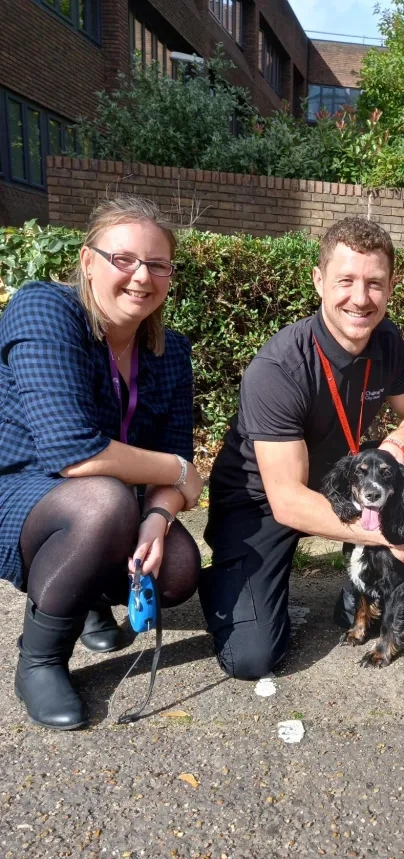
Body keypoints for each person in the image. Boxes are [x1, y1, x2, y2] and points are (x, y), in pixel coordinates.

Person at [201, 217, 404, 681]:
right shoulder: (278, 368)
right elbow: (289, 501)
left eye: (375, 283)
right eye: (346, 281)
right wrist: (393, 535)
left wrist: (396, 441)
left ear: (391, 286)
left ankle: (374, 587)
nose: (360, 298)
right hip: (263, 502)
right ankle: (226, 580)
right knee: (251, 659)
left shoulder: (387, 343)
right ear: (318, 282)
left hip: (342, 479)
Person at [0, 197, 203, 730]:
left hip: (112, 494)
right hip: (25, 487)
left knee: (179, 566)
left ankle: (87, 596)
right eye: (124, 259)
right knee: (104, 501)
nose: (142, 276)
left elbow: (176, 450)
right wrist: (179, 476)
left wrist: (159, 519)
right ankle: (40, 659)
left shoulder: (170, 351)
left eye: (157, 265)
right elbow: (73, 453)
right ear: (88, 261)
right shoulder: (44, 309)